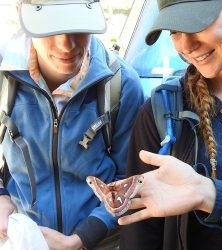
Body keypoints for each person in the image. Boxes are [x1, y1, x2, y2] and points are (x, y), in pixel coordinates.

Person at [0, 0, 145, 249]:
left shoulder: (122, 85)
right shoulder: (4, 78)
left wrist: (82, 238)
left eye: (78, 24)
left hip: (100, 240)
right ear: (21, 14)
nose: (66, 45)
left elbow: (129, 179)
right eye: (50, 27)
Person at [119, 0, 222, 249]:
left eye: (199, 22)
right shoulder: (164, 111)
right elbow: (140, 235)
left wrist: (208, 194)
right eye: (175, 31)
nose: (187, 46)